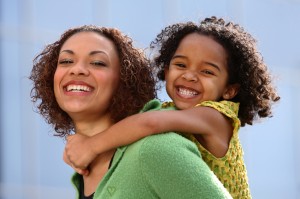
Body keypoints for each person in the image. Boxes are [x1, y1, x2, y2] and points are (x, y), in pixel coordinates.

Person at [64, 17, 280, 199]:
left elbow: (149, 123)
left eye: (207, 72)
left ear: (229, 91)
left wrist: (92, 146)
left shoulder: (216, 116)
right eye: (180, 65)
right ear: (166, 71)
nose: (189, 75)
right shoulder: (171, 112)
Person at [30, 25, 232, 198]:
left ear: (126, 80)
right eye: (66, 61)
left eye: (98, 63)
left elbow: (150, 122)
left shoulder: (154, 149)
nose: (77, 70)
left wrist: (91, 145)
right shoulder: (84, 171)